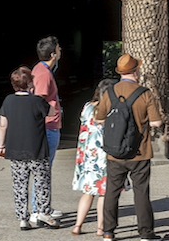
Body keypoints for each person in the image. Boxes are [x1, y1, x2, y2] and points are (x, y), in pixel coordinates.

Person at [95, 54, 162, 241]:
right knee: (141, 192)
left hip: (114, 152)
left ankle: (108, 232)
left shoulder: (109, 92)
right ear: (136, 71)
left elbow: (99, 119)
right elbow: (156, 122)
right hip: (140, 151)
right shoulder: (145, 93)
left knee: (112, 191)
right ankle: (146, 233)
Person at [0, 67, 61, 230]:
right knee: (42, 182)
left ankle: (23, 218)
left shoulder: (8, 101)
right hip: (37, 149)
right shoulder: (37, 101)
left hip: (16, 149)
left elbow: (3, 124)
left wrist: (1, 145)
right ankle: (43, 213)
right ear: (29, 84)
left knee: (19, 185)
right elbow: (52, 112)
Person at [72, 79, 114, 236]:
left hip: (86, 155)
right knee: (103, 193)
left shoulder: (87, 107)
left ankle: (78, 225)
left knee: (87, 192)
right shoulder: (110, 110)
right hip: (102, 155)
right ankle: (100, 228)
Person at [31, 36, 64, 222]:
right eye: (58, 48)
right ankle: (39, 209)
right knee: (43, 170)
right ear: (53, 54)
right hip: (48, 126)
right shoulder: (44, 74)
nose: (60, 51)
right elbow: (39, 100)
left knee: (42, 169)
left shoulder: (40, 70)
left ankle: (41, 207)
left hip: (48, 125)